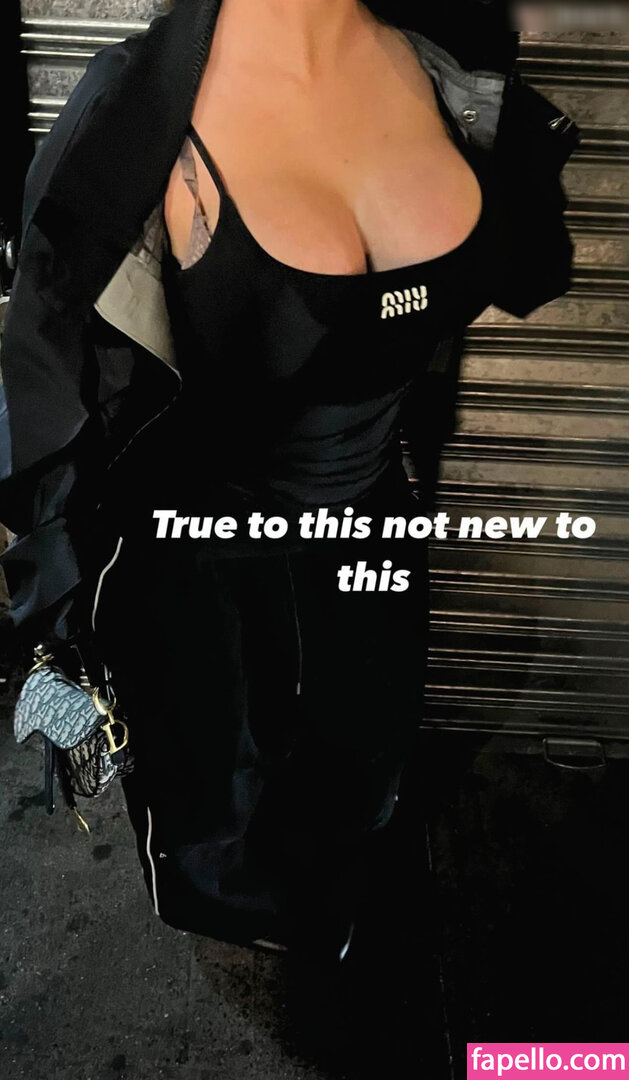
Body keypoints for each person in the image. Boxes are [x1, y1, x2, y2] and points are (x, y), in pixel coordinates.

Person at [0, 0, 577, 961]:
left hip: (374, 535)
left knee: (362, 767)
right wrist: (53, 640)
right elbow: (44, 394)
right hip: (204, 576)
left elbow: (525, 268)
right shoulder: (136, 108)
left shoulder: (449, 65)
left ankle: (329, 914)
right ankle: (250, 940)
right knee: (218, 817)